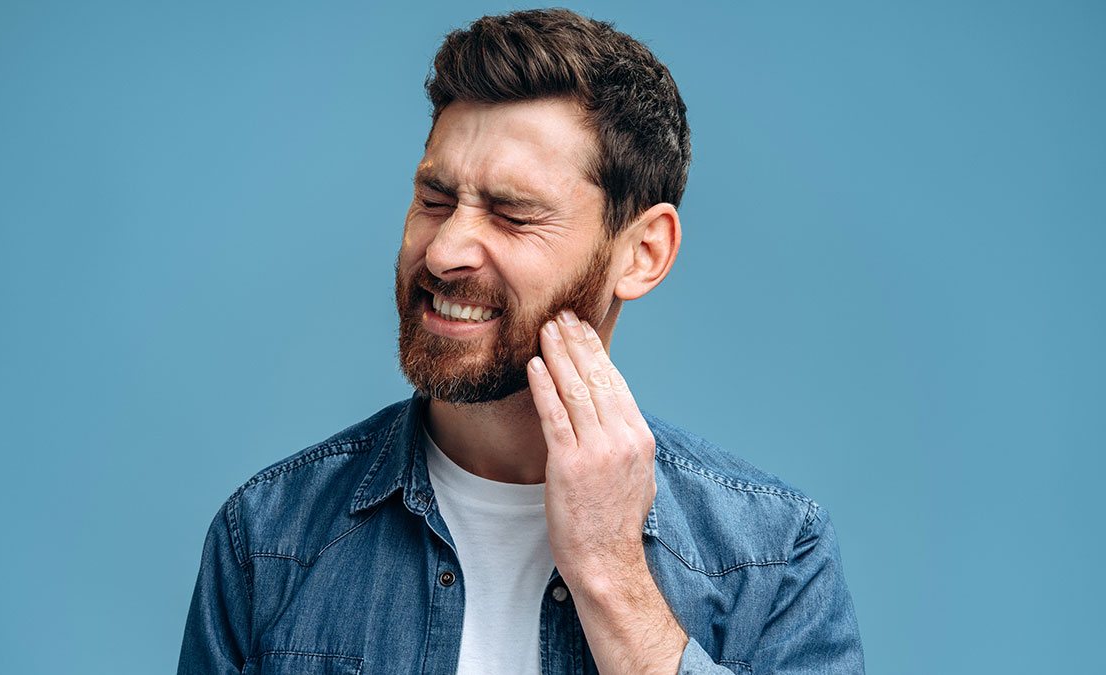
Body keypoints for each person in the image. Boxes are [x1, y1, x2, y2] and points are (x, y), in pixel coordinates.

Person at [177, 8, 863, 675]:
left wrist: (611, 573)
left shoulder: (775, 558)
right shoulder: (265, 537)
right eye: (435, 200)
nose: (444, 251)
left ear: (642, 253)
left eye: (512, 214)